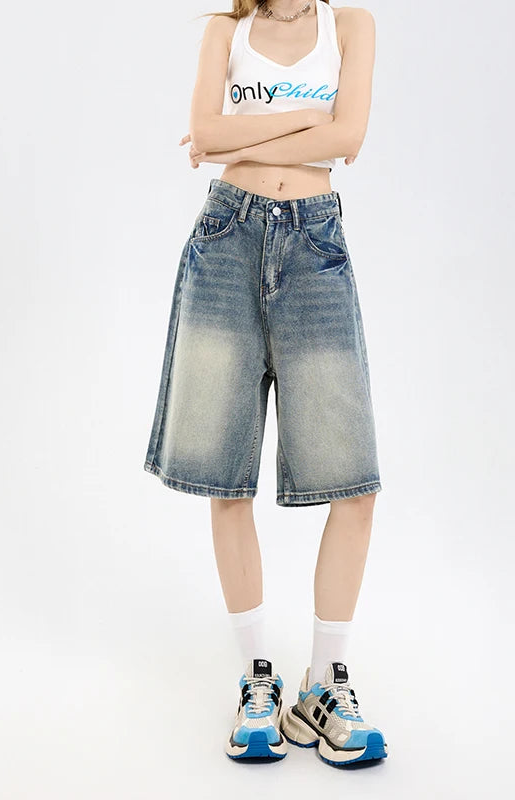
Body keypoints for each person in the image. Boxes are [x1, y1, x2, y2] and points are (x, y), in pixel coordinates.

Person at [143, 0, 388, 767]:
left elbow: (348, 138)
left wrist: (239, 135)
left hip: (315, 242)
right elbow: (203, 133)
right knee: (225, 472)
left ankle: (324, 685)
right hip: (227, 236)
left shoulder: (351, 25)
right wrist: (302, 124)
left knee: (353, 482)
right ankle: (258, 677)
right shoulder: (227, 31)